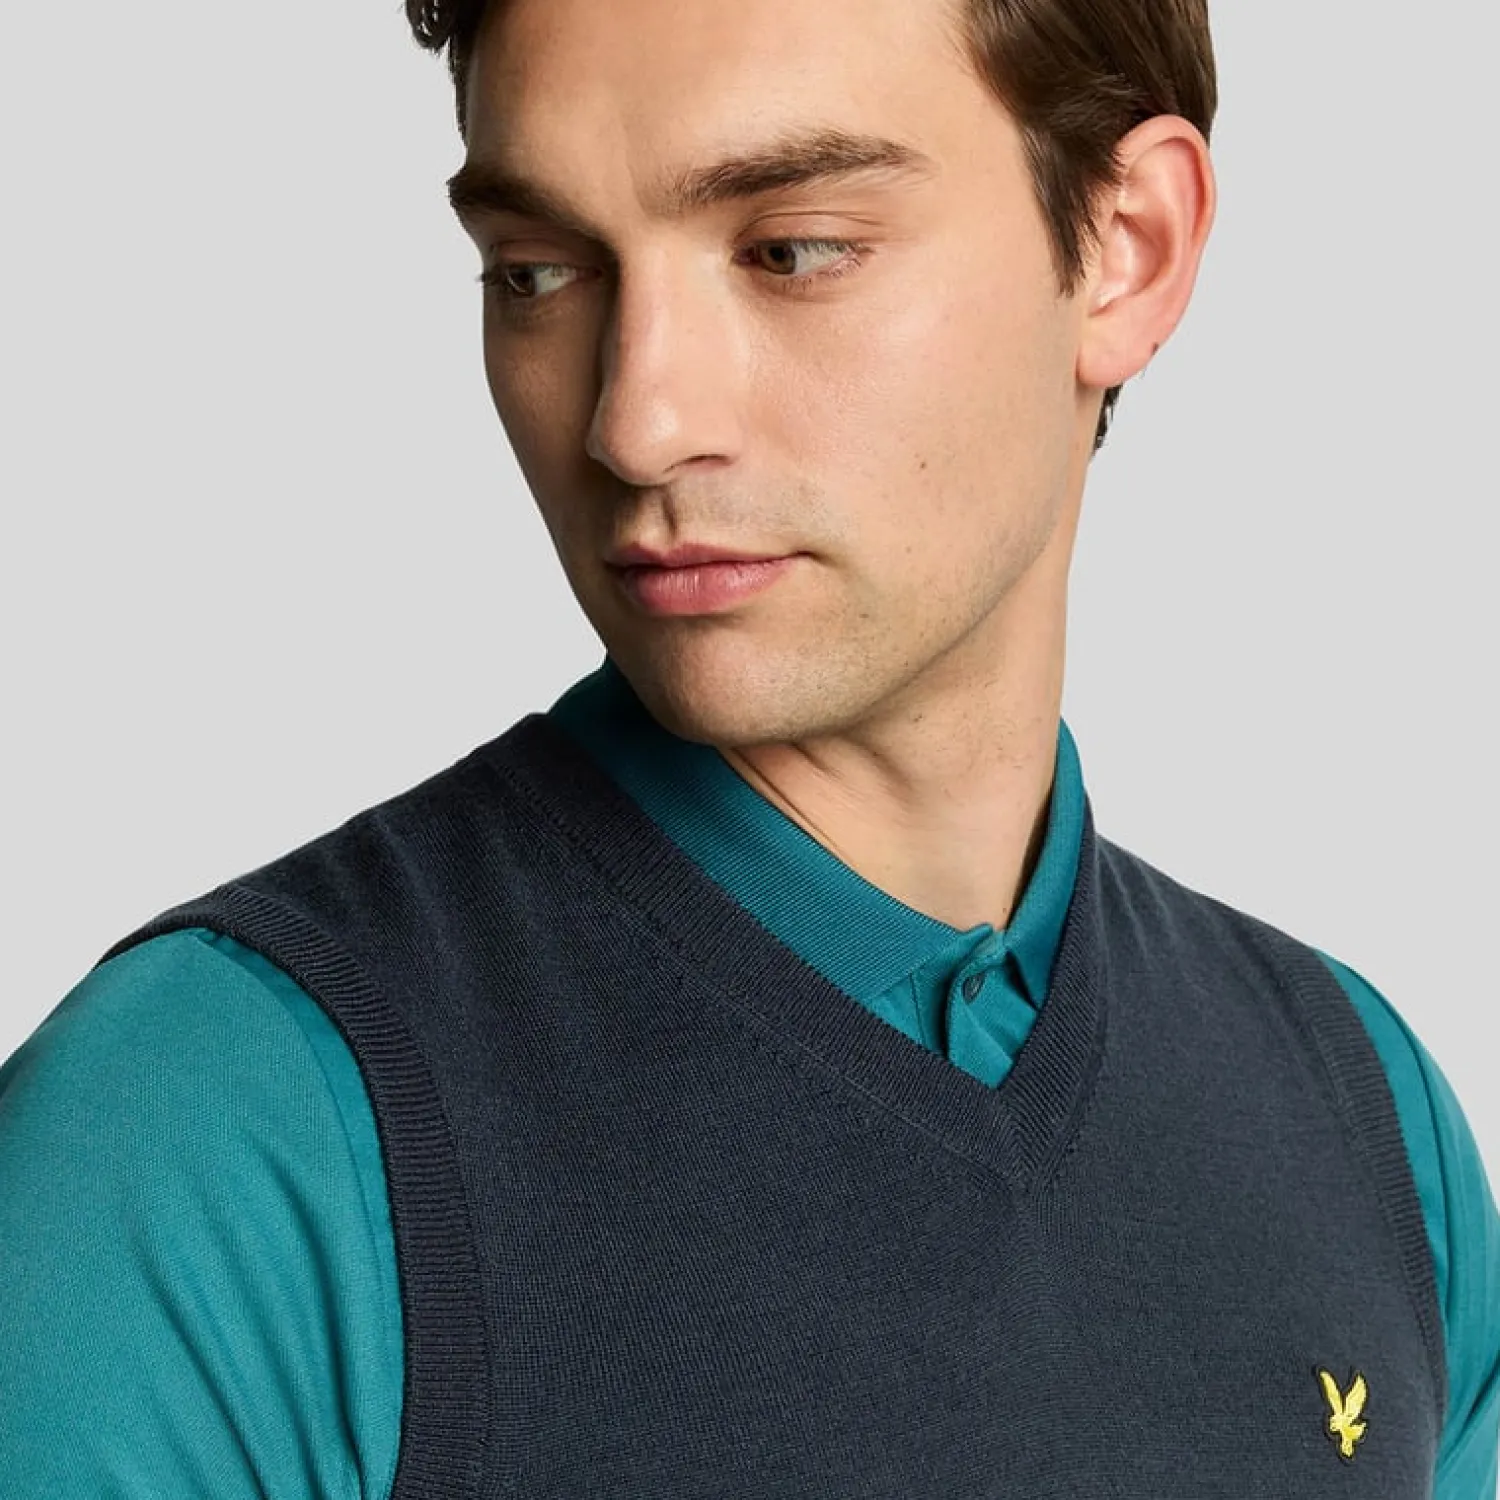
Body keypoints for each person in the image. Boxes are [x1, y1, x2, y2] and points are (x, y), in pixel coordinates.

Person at [2, 0, 1496, 1493]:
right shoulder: (206, 1146)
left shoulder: (1365, 1121)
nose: (636, 422)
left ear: (1130, 248)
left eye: (792, 251)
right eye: (537, 271)